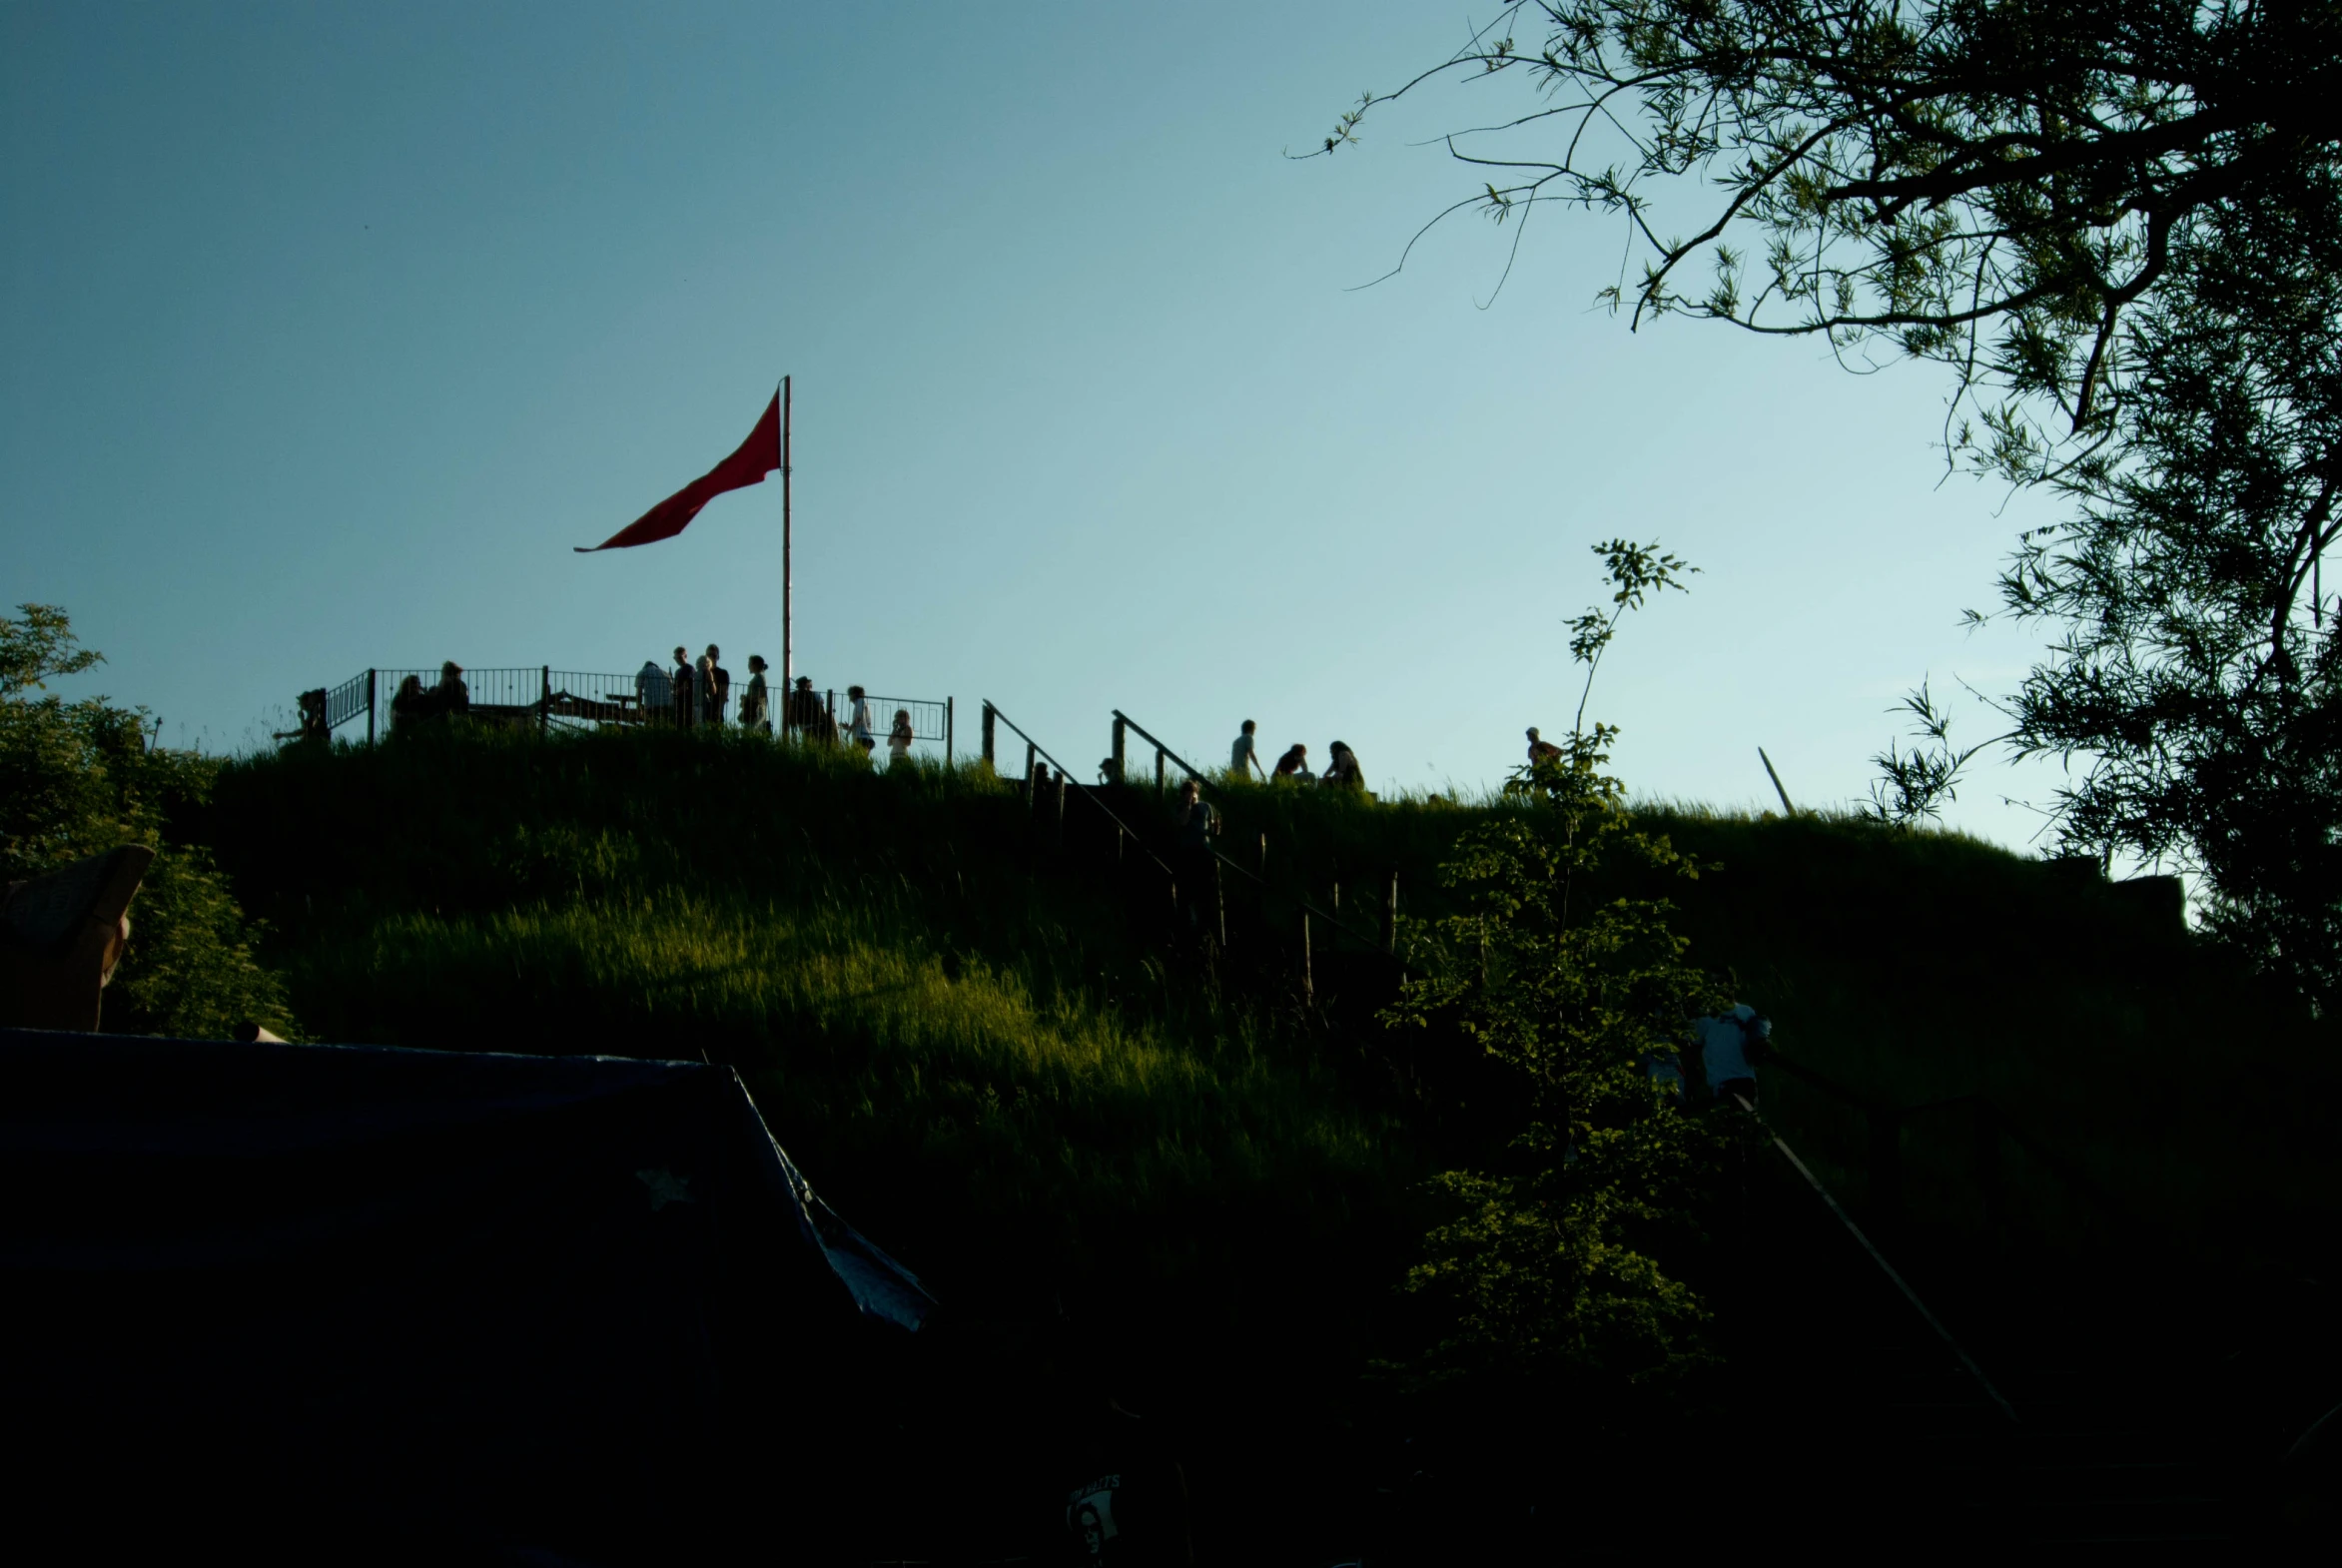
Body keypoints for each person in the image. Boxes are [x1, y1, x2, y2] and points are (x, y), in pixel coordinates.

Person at [1693, 1004, 1772, 1109]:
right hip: (1727, 1083)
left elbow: (1692, 1045)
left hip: (1741, 1082)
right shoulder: (1704, 1016)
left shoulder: (1747, 1012)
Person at [739, 655, 771, 733]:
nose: (748, 666)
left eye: (750, 664)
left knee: (750, 731)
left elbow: (762, 692)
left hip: (756, 709)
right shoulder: (759, 677)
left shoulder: (759, 677)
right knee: (755, 731)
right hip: (756, 709)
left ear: (755, 665)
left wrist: (747, 699)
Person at [635, 659, 671, 726]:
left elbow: (639, 692)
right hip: (667, 705)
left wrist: (639, 707)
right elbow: (672, 689)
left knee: (651, 726)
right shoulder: (666, 674)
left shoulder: (642, 672)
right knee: (665, 726)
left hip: (651, 705)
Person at [700, 645, 729, 726]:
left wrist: (720, 710)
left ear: (718, 657)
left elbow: (724, 692)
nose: (711, 657)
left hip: (716, 707)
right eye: (709, 655)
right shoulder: (701, 673)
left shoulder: (723, 673)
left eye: (714, 655)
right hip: (702, 708)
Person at [845, 685, 875, 755]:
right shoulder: (862, 704)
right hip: (865, 737)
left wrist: (850, 728)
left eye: (850, 694)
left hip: (862, 738)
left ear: (854, 694)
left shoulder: (860, 702)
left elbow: (859, 718)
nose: (849, 697)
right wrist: (849, 727)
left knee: (856, 758)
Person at [670, 647, 695, 729]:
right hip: (679, 703)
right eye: (676, 658)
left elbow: (686, 686)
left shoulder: (689, 669)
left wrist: (674, 693)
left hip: (687, 702)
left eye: (680, 657)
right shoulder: (678, 671)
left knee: (686, 725)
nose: (677, 660)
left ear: (685, 656)